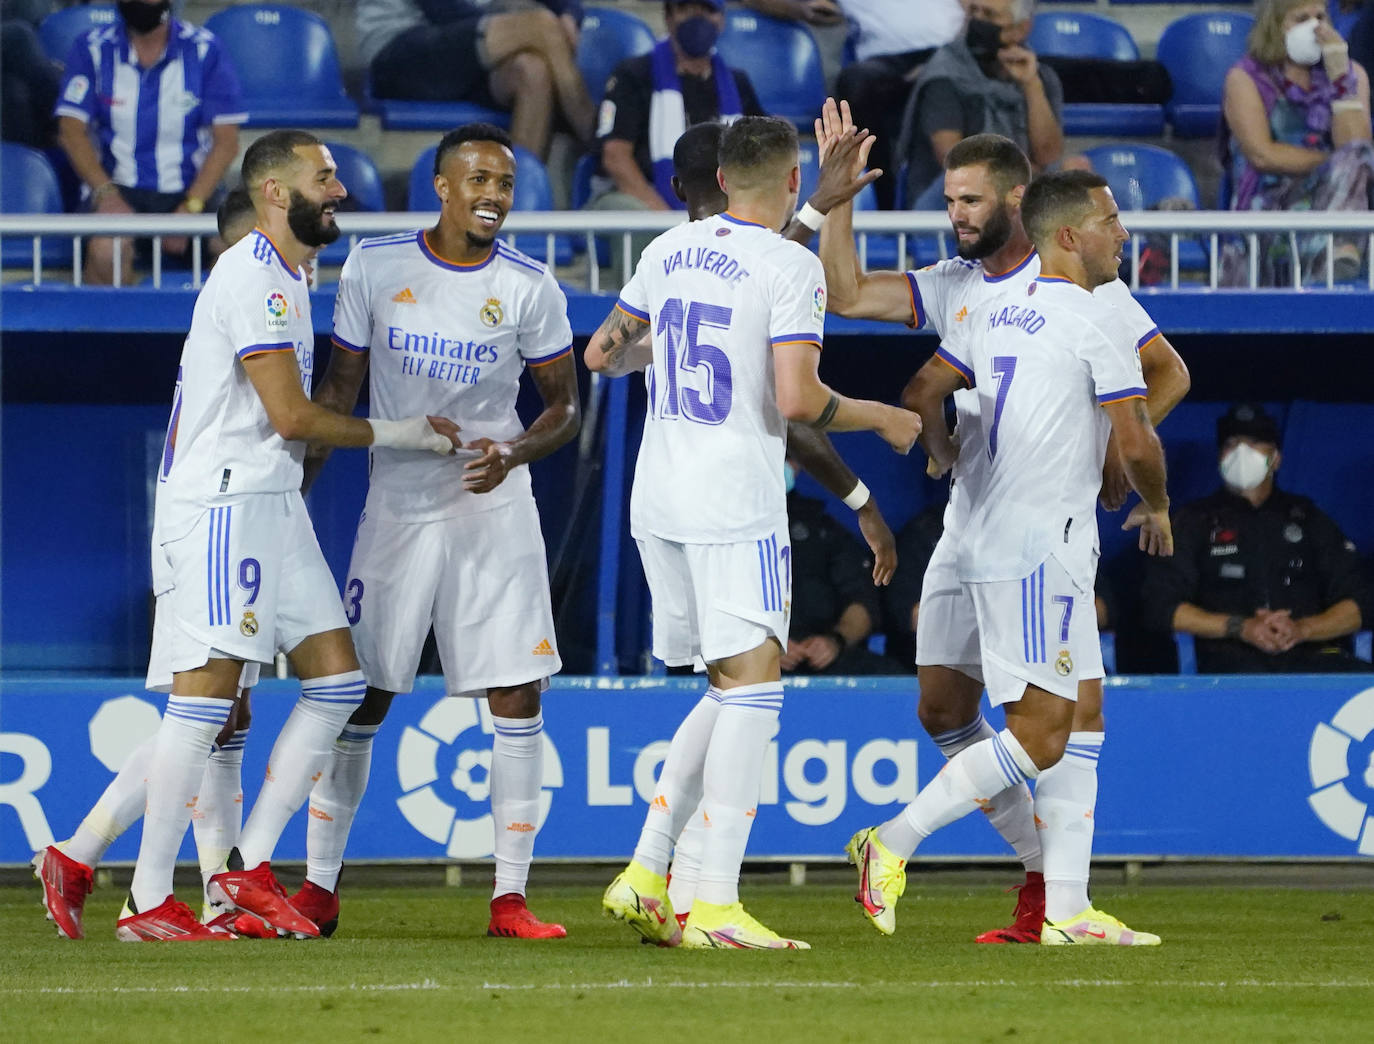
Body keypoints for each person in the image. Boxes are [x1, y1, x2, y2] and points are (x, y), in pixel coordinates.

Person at [818, 114, 1189, 943]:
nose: (955, 215)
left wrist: (1107, 461)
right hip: (1000, 533)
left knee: (1076, 713)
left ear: (1022, 203)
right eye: (949, 200)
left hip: (1030, 527)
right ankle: (924, 848)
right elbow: (844, 298)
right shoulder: (964, 285)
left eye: (969, 199)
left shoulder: (1088, 296)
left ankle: (1062, 906)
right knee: (960, 712)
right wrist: (835, 199)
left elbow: (1168, 374)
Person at [114, 130, 462, 943]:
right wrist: (409, 432)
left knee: (338, 681)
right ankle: (145, 897)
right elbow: (292, 418)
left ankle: (241, 867)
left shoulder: (287, 275)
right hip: (226, 501)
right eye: (324, 177)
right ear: (277, 192)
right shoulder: (255, 277)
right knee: (206, 703)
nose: (339, 189)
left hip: (268, 498)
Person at [586, 115, 920, 950]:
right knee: (758, 691)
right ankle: (718, 901)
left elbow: (600, 353)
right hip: (733, 502)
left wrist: (643, 349)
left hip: (658, 498)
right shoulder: (790, 266)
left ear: (725, 178)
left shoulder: (668, 250)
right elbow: (800, 401)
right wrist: (884, 417)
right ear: (793, 179)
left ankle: (653, 871)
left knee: (730, 687)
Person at [272, 123, 581, 941]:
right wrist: (291, 491)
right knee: (360, 693)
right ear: (441, 186)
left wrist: (513, 452)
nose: (493, 195)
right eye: (479, 179)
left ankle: (510, 898)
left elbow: (566, 407)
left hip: (494, 508)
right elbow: (339, 389)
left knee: (516, 694)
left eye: (506, 184)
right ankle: (320, 887)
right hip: (398, 506)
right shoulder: (376, 265)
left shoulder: (530, 285)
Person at [1142, 403, 1371, 673]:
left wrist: (1302, 629)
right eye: (1231, 443)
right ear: (1220, 457)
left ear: (1275, 458)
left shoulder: (1308, 519)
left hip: (1309, 657)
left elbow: (1361, 600)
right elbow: (1160, 606)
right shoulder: (1192, 521)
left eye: (1254, 443)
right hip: (1228, 662)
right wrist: (1241, 627)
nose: (1241, 452)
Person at [54, 0, 245, 286]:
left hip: (192, 191)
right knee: (107, 251)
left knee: (242, 253)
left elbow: (226, 142)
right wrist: (106, 194)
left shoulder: (206, 50)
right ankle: (113, 329)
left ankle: (209, 327)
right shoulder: (91, 48)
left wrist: (191, 206)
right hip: (116, 187)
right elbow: (70, 131)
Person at [1221, 0, 1374, 285]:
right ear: (1275, 27)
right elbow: (1262, 155)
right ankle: (1332, 254)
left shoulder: (1353, 75)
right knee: (1350, 160)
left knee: (1356, 156)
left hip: (1332, 206)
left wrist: (1341, 79)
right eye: (1302, 18)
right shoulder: (1245, 77)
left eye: (1321, 17)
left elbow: (1358, 150)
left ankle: (1338, 254)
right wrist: (1333, 166)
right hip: (1268, 207)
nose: (1316, 27)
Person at [357, 0, 594, 161]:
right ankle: (594, 139)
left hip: (462, 53)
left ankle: (516, 202)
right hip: (398, 54)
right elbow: (443, 11)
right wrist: (516, 28)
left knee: (531, 70)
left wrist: (568, 13)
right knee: (540, 25)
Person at [590, 0, 766, 213]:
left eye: (708, 10)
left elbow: (760, 155)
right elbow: (615, 157)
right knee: (631, 212)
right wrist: (667, 220)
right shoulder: (633, 74)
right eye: (687, 9)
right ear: (668, 16)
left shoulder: (737, 83)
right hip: (644, 201)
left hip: (714, 203)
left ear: (721, 20)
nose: (698, 19)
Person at [900, 0, 1063, 211]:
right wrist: (1016, 172)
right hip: (948, 204)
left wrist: (1031, 85)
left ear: (1020, 29)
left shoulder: (1040, 76)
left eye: (989, 15)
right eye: (973, 11)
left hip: (1018, 197)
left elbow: (1047, 155)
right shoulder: (945, 75)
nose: (977, 20)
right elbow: (953, 161)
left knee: (1076, 170)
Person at [833, 0, 965, 208]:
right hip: (884, 64)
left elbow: (983, 9)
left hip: (949, 51)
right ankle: (885, 199)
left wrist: (945, 56)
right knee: (855, 84)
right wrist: (800, 9)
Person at [780, 459, 904, 675]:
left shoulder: (822, 529)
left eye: (788, 457)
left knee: (893, 676)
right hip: (745, 657)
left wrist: (834, 641)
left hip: (826, 657)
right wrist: (763, 646)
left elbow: (862, 600)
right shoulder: (720, 531)